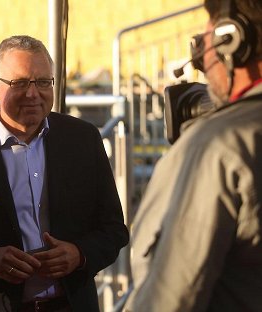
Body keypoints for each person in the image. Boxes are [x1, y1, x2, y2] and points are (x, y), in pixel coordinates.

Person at [0, 35, 129, 312]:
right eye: (20, 83)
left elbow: (114, 230)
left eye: (43, 82)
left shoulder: (83, 138)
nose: (33, 93)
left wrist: (79, 254)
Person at [124, 0, 262, 311]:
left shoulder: (219, 145)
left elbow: (170, 296)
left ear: (233, 38)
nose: (200, 55)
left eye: (207, 39)